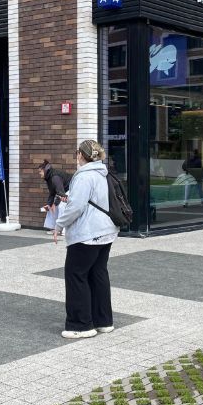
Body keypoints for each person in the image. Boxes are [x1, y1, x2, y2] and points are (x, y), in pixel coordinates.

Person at [53, 140, 118, 339]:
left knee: (76, 275)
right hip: (106, 231)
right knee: (98, 273)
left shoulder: (83, 176)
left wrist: (58, 225)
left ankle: (80, 326)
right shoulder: (103, 174)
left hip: (87, 234)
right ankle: (103, 321)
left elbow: (75, 207)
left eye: (77, 153)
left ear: (81, 155)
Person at [37, 160, 70, 234]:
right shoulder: (48, 178)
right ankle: (53, 228)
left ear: (45, 170)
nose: (39, 173)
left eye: (40, 171)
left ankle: (63, 229)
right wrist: (49, 204)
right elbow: (52, 193)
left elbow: (61, 193)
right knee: (50, 207)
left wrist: (55, 204)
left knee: (62, 206)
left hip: (71, 188)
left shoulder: (55, 177)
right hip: (63, 191)